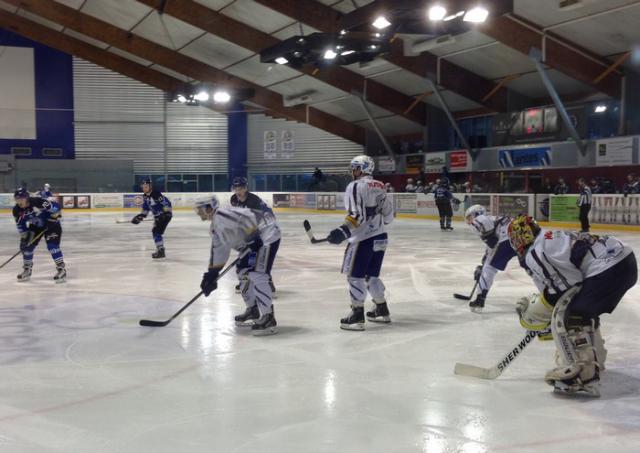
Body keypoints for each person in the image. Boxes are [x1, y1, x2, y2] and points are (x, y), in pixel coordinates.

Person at [508, 215, 636, 397]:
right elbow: (565, 286)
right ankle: (596, 356)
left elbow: (565, 288)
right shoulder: (548, 237)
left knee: (573, 315)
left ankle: (583, 374)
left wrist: (538, 314)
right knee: (584, 310)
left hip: (609, 267)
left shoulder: (536, 251)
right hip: (624, 260)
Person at [195, 195, 281, 336]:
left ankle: (268, 317)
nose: (198, 213)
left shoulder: (222, 214)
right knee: (242, 272)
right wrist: (212, 274)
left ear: (209, 207)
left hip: (267, 236)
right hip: (254, 242)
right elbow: (219, 250)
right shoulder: (215, 227)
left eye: (199, 209)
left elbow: (246, 217)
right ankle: (253, 309)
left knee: (257, 274)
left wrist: (253, 236)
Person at [326, 155, 394, 331]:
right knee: (371, 276)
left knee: (354, 276)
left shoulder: (355, 185)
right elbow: (389, 215)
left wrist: (343, 231)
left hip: (362, 239)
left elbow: (357, 215)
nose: (352, 170)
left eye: (355, 167)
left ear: (363, 168)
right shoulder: (380, 185)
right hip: (381, 237)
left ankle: (357, 315)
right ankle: (381, 309)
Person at [464, 205, 517, 313]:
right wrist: (485, 259)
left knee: (489, 268)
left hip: (506, 239)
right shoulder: (493, 218)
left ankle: (480, 299)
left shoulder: (481, 219)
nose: (469, 221)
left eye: (470, 217)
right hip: (519, 236)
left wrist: (483, 267)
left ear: (476, 214)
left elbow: (493, 241)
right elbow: (492, 243)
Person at [229, 176, 277, 294]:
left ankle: (267, 283)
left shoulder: (253, 201)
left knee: (261, 260)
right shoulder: (234, 199)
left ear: (245, 188)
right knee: (247, 258)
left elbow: (257, 222)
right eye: (236, 188)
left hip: (267, 230)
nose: (238, 191)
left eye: (240, 188)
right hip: (254, 229)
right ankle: (246, 283)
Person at [12, 188, 66, 283]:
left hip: (52, 225)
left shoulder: (38, 202)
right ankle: (27, 270)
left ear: (27, 198)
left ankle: (61, 270)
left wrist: (54, 217)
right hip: (36, 227)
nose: (19, 201)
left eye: (21, 199)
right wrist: (24, 239)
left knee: (52, 246)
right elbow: (21, 226)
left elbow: (56, 207)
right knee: (27, 247)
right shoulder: (17, 210)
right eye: (17, 199)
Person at [131, 179, 172, 259]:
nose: (144, 188)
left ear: (150, 186)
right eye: (143, 187)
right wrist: (141, 216)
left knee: (156, 231)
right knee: (156, 232)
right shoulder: (145, 196)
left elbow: (166, 203)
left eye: (146, 187)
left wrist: (166, 213)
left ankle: (161, 250)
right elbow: (146, 208)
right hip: (158, 217)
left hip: (164, 216)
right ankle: (160, 249)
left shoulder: (156, 194)